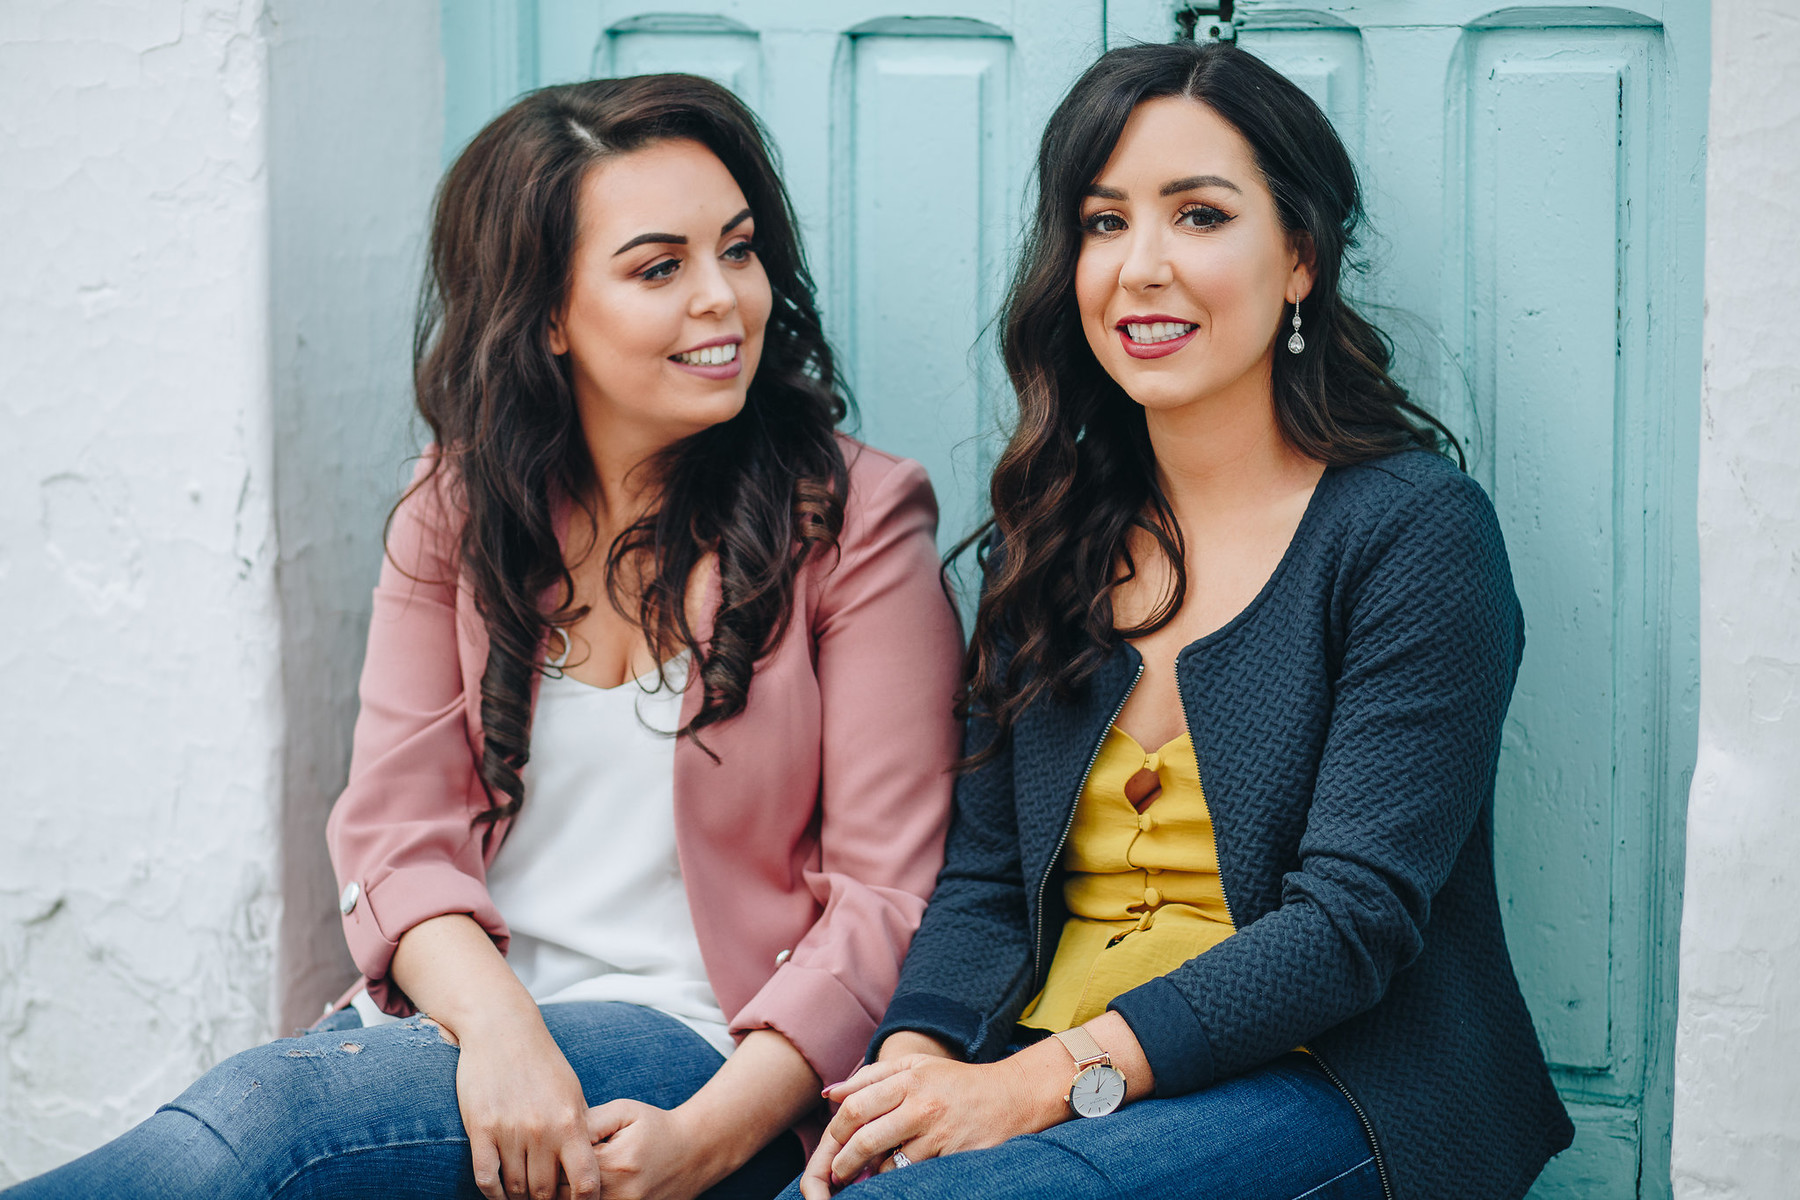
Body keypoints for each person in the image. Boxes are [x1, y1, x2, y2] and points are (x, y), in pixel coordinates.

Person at [9, 74, 962, 1200]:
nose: (723, 299)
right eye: (659, 268)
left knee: (277, 1127)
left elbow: (890, 899)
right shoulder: (457, 506)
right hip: (465, 1024)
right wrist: (504, 1033)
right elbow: (397, 833)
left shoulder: (854, 520)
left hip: (695, 1047)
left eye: (738, 251)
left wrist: (707, 1143)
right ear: (548, 314)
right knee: (268, 1124)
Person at [792, 40, 1573, 1200]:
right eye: (1103, 224)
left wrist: (1038, 1085)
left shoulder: (1414, 533)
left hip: (1330, 1086)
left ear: (1301, 256)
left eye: (1199, 216)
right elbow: (987, 881)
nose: (1140, 268)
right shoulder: (1050, 536)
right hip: (1040, 1071)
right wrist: (911, 1073)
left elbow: (1350, 924)